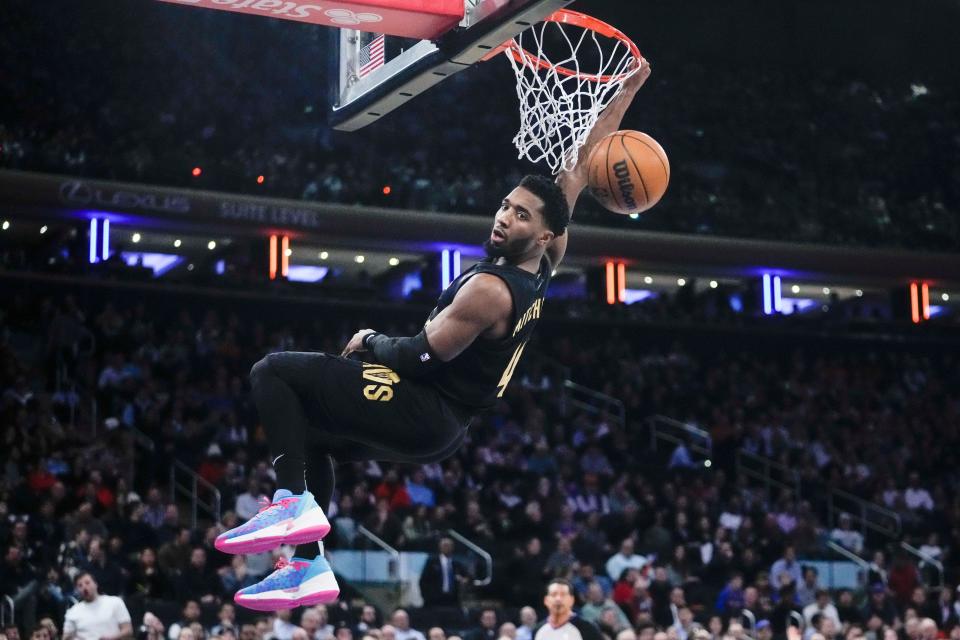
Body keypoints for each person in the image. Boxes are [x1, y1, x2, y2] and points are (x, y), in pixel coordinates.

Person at [213, 58, 654, 608]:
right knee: (311, 438)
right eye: (505, 206)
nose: (503, 218)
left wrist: (371, 341)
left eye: (519, 216)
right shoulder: (543, 262)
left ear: (544, 236)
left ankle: (288, 502)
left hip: (424, 404)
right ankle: (307, 566)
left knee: (272, 372)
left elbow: (423, 356)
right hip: (440, 421)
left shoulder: (493, 290)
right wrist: (629, 87)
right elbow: (585, 161)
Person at [62, 573, 132, 640]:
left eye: (87, 583)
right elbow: (66, 637)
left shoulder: (115, 602)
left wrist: (112, 638)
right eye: (80, 585)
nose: (84, 587)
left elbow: (128, 630)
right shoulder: (72, 612)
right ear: (77, 590)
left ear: (95, 584)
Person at [534, 579, 604, 640]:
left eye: (563, 595)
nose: (558, 599)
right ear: (546, 600)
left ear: (571, 600)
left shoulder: (588, 629)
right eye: (554, 595)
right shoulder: (538, 630)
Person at [419, 538, 470, 607]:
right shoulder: (432, 562)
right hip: (435, 600)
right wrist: (427, 596)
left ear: (452, 547)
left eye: (449, 545)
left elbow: (468, 576)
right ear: (440, 547)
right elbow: (423, 580)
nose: (447, 547)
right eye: (444, 545)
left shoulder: (456, 563)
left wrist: (464, 580)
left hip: (453, 599)